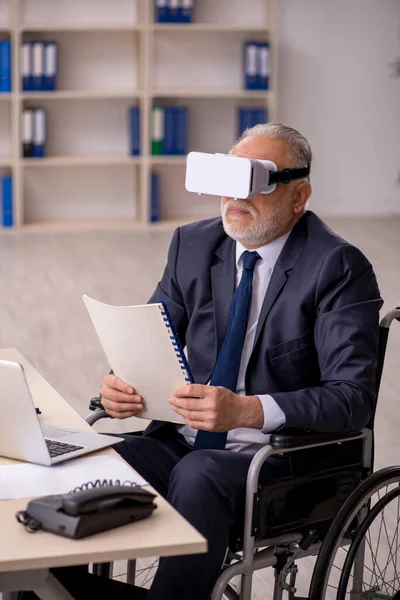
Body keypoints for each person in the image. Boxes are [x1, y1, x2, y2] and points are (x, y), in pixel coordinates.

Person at [38, 122, 380, 600]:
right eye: (227, 180)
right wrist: (122, 385)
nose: (234, 198)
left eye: (255, 183)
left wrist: (248, 410)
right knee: (82, 464)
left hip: (280, 460)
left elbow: (352, 399)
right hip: (183, 440)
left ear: (299, 196)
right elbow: (152, 340)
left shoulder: (338, 267)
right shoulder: (193, 246)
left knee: (197, 474)